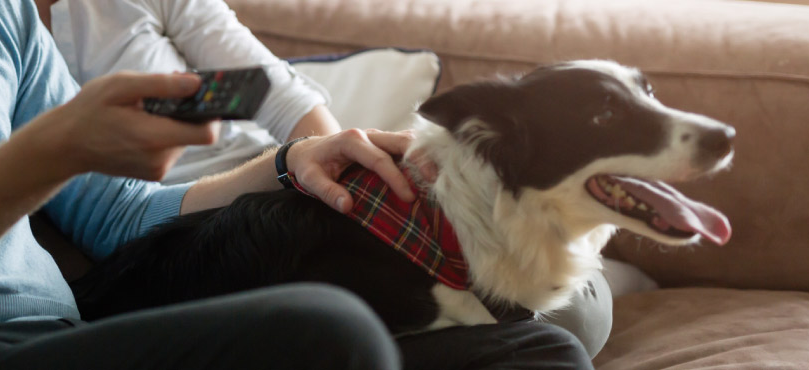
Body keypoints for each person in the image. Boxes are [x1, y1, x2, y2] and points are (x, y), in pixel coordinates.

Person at [0, 0, 591, 369]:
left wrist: (292, 164)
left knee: (542, 347)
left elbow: (113, 210)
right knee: (329, 335)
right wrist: (49, 148)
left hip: (64, 340)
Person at [38, 0, 614, 357]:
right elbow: (104, 211)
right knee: (556, 326)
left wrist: (334, 171)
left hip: (287, 183)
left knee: (583, 305)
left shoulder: (133, 3)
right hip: (201, 232)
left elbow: (270, 93)